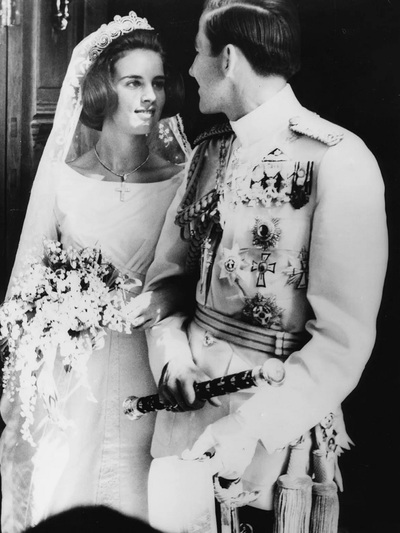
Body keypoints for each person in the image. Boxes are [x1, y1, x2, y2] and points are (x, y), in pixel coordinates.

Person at [143, 0, 388, 531]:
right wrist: (171, 358)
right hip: (181, 428)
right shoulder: (207, 153)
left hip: (268, 444)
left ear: (228, 58)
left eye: (197, 52)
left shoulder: (338, 160)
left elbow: (343, 341)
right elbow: (166, 284)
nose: (191, 69)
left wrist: (247, 429)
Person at [0, 11, 190, 533]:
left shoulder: (181, 180)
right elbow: (27, 288)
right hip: (74, 377)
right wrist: (60, 312)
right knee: (69, 488)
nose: (149, 97)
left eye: (157, 83)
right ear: (104, 90)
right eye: (134, 83)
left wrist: (159, 301)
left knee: (142, 495)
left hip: (149, 366)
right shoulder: (64, 180)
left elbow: (193, 280)